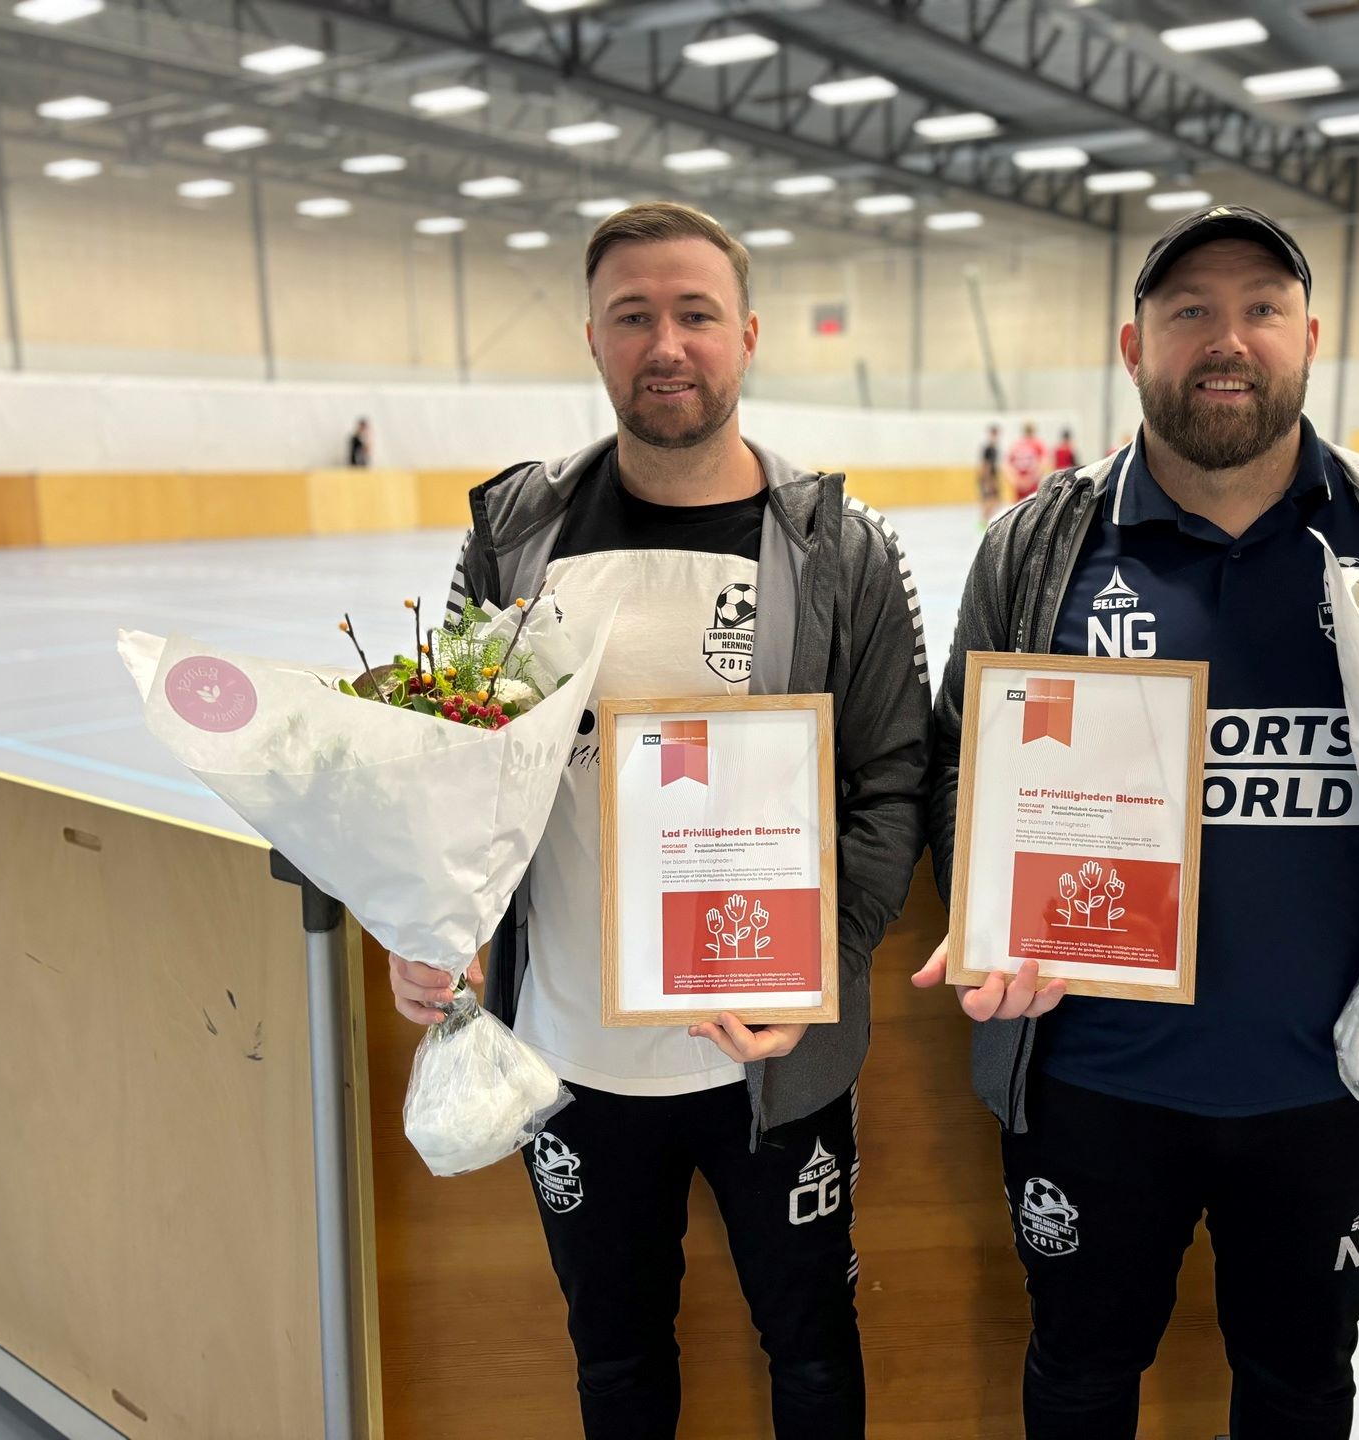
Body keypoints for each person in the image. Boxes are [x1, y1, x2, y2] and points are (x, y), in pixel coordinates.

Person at [914, 205, 1359, 1439]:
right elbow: (957, 761)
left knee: (1301, 1386)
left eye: (1261, 309)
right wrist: (986, 907)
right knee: (1079, 1373)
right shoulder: (1038, 545)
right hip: (1091, 1085)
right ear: (1134, 345)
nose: (1227, 339)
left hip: (1331, 1085)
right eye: (1190, 310)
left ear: (1310, 338)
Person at [388, 202, 930, 1439]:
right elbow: (453, 765)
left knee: (812, 1352)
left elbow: (893, 780)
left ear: (748, 335)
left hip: (773, 1058)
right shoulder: (515, 538)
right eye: (633, 316)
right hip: (572, 1054)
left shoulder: (840, 549)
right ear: (592, 338)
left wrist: (820, 970)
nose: (666, 344)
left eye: (695, 314)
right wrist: (437, 926)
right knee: (616, 1361)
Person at [1007, 421, 1048, 502]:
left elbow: (1007, 465)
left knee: (1018, 506)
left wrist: (1016, 480)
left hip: (1019, 484)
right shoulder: (1038, 444)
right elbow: (1043, 464)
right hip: (1033, 484)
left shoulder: (1016, 445)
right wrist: (1031, 480)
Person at [979, 423, 1004, 524]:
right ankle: (983, 522)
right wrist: (987, 481)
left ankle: (986, 521)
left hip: (993, 477)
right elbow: (986, 465)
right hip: (988, 478)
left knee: (995, 500)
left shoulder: (994, 449)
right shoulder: (988, 449)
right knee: (990, 500)